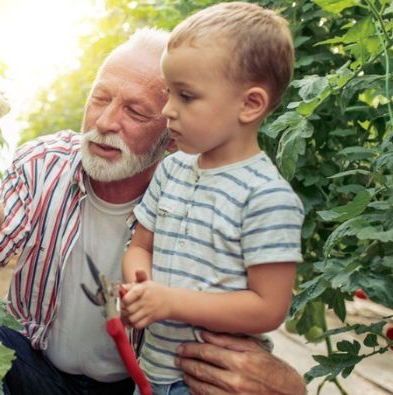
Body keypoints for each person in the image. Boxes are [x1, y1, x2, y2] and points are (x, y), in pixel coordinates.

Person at [0, 27, 306, 395]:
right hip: (37, 367)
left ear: (172, 135)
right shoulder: (40, 163)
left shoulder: (201, 197)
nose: (104, 121)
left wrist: (287, 383)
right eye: (101, 98)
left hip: (137, 383)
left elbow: (244, 317)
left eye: (135, 112)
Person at [120, 3, 303, 395]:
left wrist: (169, 302)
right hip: (150, 370)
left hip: (209, 382)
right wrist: (141, 286)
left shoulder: (267, 197)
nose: (167, 110)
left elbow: (268, 308)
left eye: (186, 96)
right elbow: (140, 246)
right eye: (169, 92)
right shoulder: (171, 171)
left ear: (250, 104)